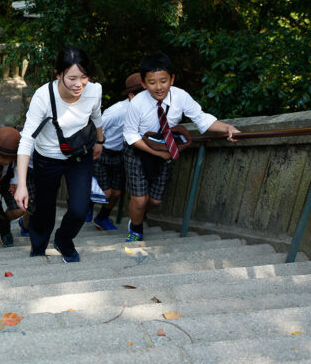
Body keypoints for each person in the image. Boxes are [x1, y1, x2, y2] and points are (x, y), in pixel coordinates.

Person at [123, 52, 240, 242]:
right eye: (152, 82)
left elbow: (202, 119)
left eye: (163, 80)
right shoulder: (137, 103)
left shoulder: (181, 97)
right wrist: (157, 154)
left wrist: (226, 127)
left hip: (165, 148)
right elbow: (130, 135)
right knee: (139, 199)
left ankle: (138, 214)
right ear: (144, 84)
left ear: (172, 79)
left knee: (155, 200)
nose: (159, 87)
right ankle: (135, 229)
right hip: (139, 149)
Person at [14, 46, 105, 263]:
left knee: (79, 208)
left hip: (79, 156)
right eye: (72, 78)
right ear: (58, 74)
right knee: (44, 209)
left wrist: (100, 140)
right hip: (47, 158)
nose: (79, 84)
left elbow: (96, 115)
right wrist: (22, 184)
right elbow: (27, 139)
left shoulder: (94, 90)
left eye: (84, 77)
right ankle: (38, 246)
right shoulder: (43, 97)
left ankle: (64, 240)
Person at [87, 73, 144, 230]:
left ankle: (102, 218)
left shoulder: (145, 112)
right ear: (132, 95)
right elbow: (94, 128)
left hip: (120, 155)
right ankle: (87, 200)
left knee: (117, 193)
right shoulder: (117, 111)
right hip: (103, 152)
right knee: (107, 193)